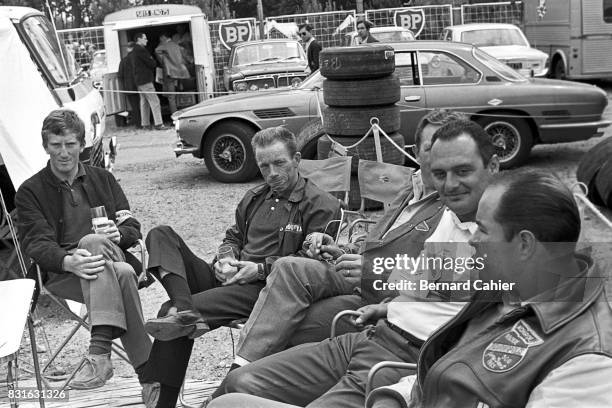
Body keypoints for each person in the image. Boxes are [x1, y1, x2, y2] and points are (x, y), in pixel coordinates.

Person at [206, 117, 501, 408]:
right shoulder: (448, 214)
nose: (449, 184)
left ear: (493, 166)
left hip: (405, 357)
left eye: (463, 170)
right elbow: (434, 283)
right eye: (439, 171)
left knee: (236, 393)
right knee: (240, 382)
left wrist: (377, 274)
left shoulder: (509, 228)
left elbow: (505, 316)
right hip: (375, 332)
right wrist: (388, 306)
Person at [227, 110, 466, 372]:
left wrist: (373, 269)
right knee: (288, 266)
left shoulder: (457, 208)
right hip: (358, 279)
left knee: (287, 324)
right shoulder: (411, 189)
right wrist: (340, 248)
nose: (440, 158)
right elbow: (376, 239)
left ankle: (242, 377)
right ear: (417, 152)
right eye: (432, 148)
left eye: (452, 149)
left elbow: (447, 282)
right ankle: (241, 371)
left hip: (385, 298)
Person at [366, 169, 612, 408]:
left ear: (524, 244)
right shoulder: (505, 287)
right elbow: (447, 373)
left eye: (482, 229)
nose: (473, 239)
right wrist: (395, 396)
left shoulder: (587, 359)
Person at [140, 126, 342, 408]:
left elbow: (310, 265)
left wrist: (257, 269)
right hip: (230, 277)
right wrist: (224, 259)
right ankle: (184, 307)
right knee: (160, 234)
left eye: (279, 163)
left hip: (265, 291)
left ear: (297, 159)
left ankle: (163, 399)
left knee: (167, 314)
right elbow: (233, 235)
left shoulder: (321, 204)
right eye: (264, 166)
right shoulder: (255, 197)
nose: (272, 173)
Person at [14, 109, 152, 390]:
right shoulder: (30, 190)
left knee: (93, 242)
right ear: (45, 146)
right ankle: (151, 375)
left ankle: (99, 355)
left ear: (81, 144)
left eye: (70, 144)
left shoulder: (104, 179)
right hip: (63, 275)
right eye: (56, 145)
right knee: (124, 273)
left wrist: (121, 233)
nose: (63, 153)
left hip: (107, 255)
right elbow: (36, 243)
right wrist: (67, 261)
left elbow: (131, 226)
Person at [132, 32, 166, 130]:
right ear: (139, 39)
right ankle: (159, 124)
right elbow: (152, 63)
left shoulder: (134, 50)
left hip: (139, 81)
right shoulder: (141, 50)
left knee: (144, 102)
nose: (147, 40)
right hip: (146, 80)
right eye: (145, 38)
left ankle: (145, 124)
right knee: (155, 101)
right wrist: (152, 60)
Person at [155, 31, 190, 115]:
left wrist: (164, 61)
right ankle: (185, 114)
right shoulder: (177, 45)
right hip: (182, 73)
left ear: (163, 37)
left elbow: (156, 50)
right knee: (181, 94)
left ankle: (175, 117)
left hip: (170, 73)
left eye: (160, 39)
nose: (160, 40)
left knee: (171, 97)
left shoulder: (164, 45)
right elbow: (186, 57)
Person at [117, 41, 141, 127]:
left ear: (128, 49)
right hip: (140, 85)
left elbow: (120, 75)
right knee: (143, 104)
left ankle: (138, 123)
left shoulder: (124, 60)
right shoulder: (138, 59)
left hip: (129, 87)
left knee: (134, 106)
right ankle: (146, 121)